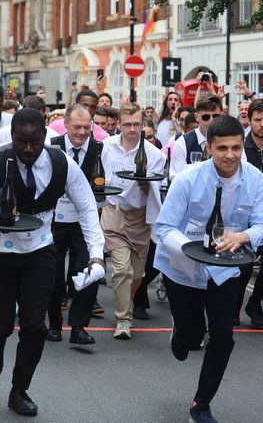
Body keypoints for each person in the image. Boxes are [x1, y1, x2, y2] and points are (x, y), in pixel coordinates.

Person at [0, 108, 104, 416]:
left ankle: (20, 389)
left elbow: (86, 207)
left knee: (34, 327)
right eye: (21, 142)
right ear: (12, 137)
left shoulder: (61, 163)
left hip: (40, 251)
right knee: (2, 324)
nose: (28, 149)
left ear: (45, 137)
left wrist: (96, 253)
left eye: (35, 142)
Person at [154, 115, 263, 423]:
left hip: (226, 269)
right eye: (222, 148)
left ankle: (201, 404)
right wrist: (191, 253)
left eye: (236, 148)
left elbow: (261, 224)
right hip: (182, 268)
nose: (230, 155)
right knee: (190, 340)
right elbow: (164, 227)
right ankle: (182, 334)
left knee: (223, 337)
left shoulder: (255, 179)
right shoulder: (188, 178)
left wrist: (243, 236)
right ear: (209, 148)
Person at [99, 103, 165, 340]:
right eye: (127, 124)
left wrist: (146, 180)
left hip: (140, 218)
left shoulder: (155, 154)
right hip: (114, 211)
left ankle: (125, 303)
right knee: (121, 270)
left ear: (143, 125)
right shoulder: (105, 147)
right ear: (118, 124)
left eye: (137, 124)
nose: (132, 129)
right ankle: (123, 319)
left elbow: (156, 192)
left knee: (137, 275)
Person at [46, 104, 105, 344]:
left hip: (84, 222)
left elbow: (106, 183)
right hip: (56, 220)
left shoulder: (100, 149)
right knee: (52, 274)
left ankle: (79, 326)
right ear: (66, 125)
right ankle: (54, 324)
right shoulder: (53, 147)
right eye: (77, 127)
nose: (82, 132)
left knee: (89, 269)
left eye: (86, 127)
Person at [170, 96, 246, 179]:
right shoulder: (182, 143)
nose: (211, 121)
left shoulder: (232, 140)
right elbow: (176, 177)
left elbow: (242, 170)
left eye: (215, 116)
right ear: (196, 117)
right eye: (205, 117)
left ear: (221, 115)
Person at [239, 99, 263, 328]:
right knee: (243, 265)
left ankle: (255, 302)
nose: (262, 124)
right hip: (244, 215)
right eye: (258, 120)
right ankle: (235, 304)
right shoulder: (241, 148)